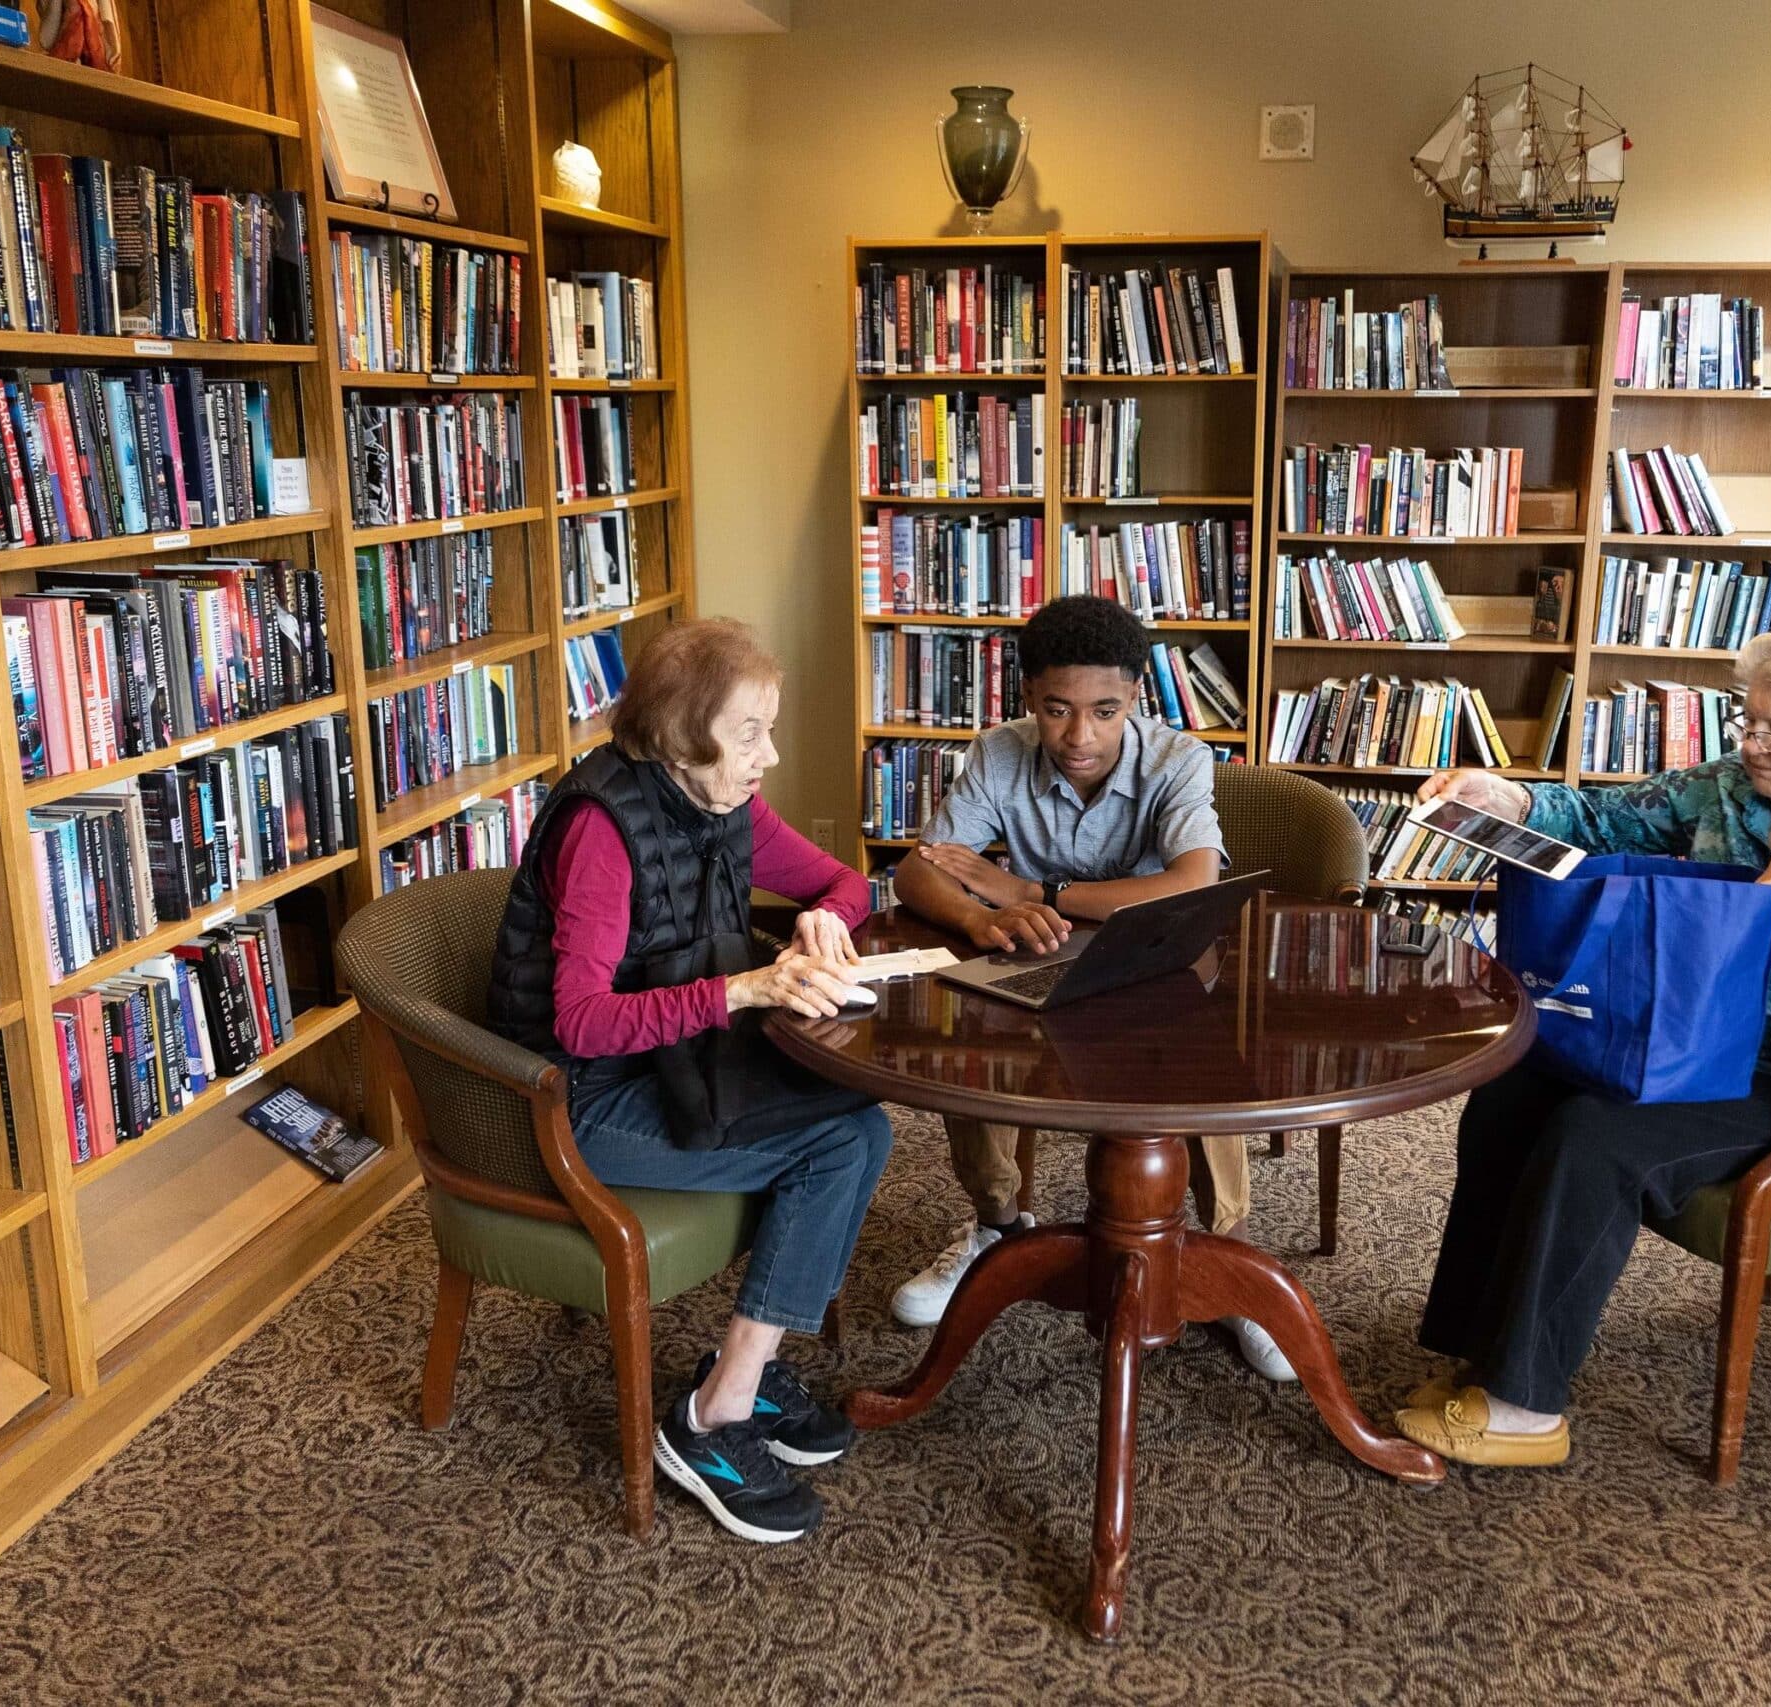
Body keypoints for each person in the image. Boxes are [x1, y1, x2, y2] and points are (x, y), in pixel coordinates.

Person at [1400, 624, 1771, 1467]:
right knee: (1511, 1090)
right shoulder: (1728, 792)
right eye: (1745, 722)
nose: (1752, 745)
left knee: (1594, 1139)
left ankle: (1525, 1405)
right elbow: (1608, 816)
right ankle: (1481, 1350)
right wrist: (1515, 800)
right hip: (1687, 1040)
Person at [487, 618, 892, 1544]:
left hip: (671, 1065)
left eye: (770, 728)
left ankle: (743, 1368)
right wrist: (744, 986)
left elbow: (846, 880)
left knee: (862, 1122)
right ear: (681, 732)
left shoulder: (723, 803)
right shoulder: (601, 830)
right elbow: (580, 1022)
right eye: (750, 732)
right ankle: (712, 1418)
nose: (772, 753)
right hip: (576, 1095)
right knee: (840, 1143)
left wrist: (823, 921)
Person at [890, 594, 1292, 1381]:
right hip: (1038, 955)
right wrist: (979, 920)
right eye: (1057, 709)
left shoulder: (1177, 757)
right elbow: (917, 869)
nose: (1080, 736)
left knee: (1197, 1051)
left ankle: (1226, 1252)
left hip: (1153, 957)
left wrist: (1033, 887)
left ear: (1137, 697)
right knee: (967, 1034)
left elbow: (1190, 885)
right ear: (1029, 698)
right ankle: (998, 1224)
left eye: (1105, 711)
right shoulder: (999, 752)